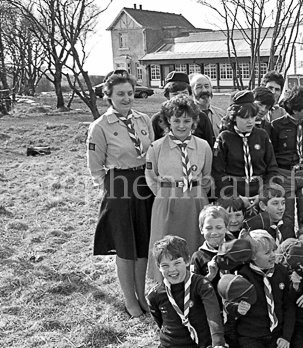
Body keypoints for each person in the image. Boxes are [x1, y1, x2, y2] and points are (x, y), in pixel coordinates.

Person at [87, 69, 155, 318]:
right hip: (119, 184)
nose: (126, 98)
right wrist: (111, 187)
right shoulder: (100, 126)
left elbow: (152, 153)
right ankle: (130, 300)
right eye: (120, 94)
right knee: (126, 245)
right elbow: (95, 166)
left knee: (143, 243)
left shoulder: (143, 120)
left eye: (130, 93)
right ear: (109, 95)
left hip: (144, 182)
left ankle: (142, 294)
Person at [147, 235, 234, 348]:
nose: (172, 270)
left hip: (202, 347)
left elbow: (213, 315)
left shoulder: (201, 285)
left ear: (187, 261)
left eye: (177, 263)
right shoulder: (155, 295)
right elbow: (160, 322)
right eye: (165, 265)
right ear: (158, 267)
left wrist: (217, 343)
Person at [145, 94, 213, 281]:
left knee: (193, 243)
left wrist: (196, 193)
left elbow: (206, 175)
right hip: (167, 199)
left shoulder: (203, 146)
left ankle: (195, 284)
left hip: (195, 200)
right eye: (176, 120)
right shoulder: (156, 147)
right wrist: (165, 194)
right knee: (167, 246)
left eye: (187, 120)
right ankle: (165, 288)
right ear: (168, 121)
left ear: (194, 122)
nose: (182, 125)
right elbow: (151, 177)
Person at [224, 230, 297, 348]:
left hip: (275, 334)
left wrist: (286, 336)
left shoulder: (281, 272)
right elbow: (228, 305)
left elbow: (288, 306)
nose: (273, 255)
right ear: (252, 256)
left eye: (273, 250)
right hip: (251, 335)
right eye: (267, 252)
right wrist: (237, 307)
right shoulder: (242, 276)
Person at [270, 86, 303, 232]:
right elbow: (272, 152)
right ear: (296, 110)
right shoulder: (277, 125)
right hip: (284, 173)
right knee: (286, 215)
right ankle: (289, 246)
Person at [212, 90, 277, 199]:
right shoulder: (225, 137)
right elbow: (217, 172)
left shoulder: (262, 135)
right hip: (233, 192)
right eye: (244, 118)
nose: (250, 121)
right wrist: (234, 196)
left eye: (252, 117)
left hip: (259, 191)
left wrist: (264, 193)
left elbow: (272, 167)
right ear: (234, 117)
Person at [190, 205, 230, 298]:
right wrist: (210, 276)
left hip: (237, 307)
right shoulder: (197, 257)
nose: (214, 232)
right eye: (209, 228)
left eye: (219, 227)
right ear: (201, 229)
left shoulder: (235, 249)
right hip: (212, 306)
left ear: (226, 227)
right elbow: (194, 288)